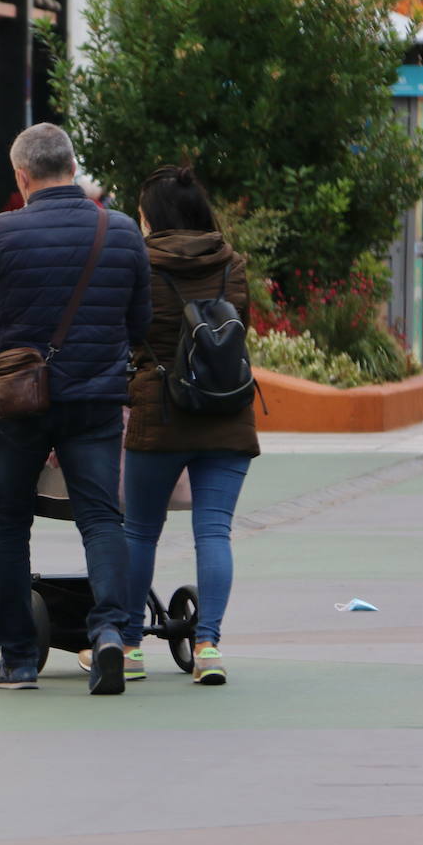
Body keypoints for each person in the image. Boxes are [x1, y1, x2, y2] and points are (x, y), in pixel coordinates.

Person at [0, 123, 151, 694]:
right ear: (74, 167)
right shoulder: (121, 231)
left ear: (21, 176)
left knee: (9, 522)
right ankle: (108, 634)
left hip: (21, 400)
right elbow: (141, 325)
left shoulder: (0, 231)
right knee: (102, 518)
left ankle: (20, 659)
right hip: (97, 399)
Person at [122, 165, 257, 686]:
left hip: (160, 412)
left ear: (154, 217)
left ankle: (130, 648)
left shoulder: (141, 266)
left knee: (139, 532)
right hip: (227, 411)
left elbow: (130, 331)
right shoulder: (234, 266)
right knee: (214, 531)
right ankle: (208, 648)